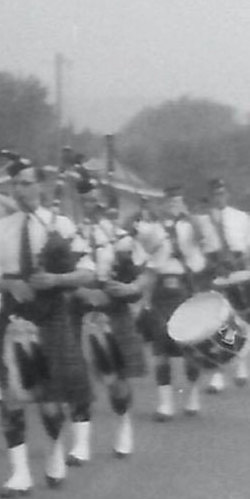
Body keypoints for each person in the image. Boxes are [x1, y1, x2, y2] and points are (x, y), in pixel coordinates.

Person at [0, 164, 96, 495]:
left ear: (41, 187)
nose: (20, 190)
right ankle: (19, 474)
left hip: (52, 316)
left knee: (51, 400)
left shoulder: (61, 225)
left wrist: (57, 279)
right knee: (13, 396)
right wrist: (9, 285)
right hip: (13, 316)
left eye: (27, 183)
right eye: (16, 184)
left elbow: (88, 272)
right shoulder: (0, 228)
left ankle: (55, 451)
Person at [75, 182, 148, 459]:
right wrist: (85, 293)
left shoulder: (122, 238)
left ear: (106, 205)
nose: (90, 205)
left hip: (114, 313)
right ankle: (81, 444)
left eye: (95, 200)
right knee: (78, 379)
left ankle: (123, 425)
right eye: (85, 200)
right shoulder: (71, 234)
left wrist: (130, 289)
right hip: (79, 313)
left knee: (117, 380)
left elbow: (143, 273)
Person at [137, 187, 211, 418]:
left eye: (177, 201)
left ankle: (192, 397)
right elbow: (144, 257)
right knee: (161, 350)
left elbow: (203, 238)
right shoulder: (152, 229)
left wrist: (187, 216)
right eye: (170, 202)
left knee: (190, 348)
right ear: (162, 204)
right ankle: (165, 404)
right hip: (160, 291)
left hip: (186, 287)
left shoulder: (192, 225)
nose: (173, 206)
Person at [197, 180, 250, 390]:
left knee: (239, 320)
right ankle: (218, 374)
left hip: (238, 269)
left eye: (222, 193)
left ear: (228, 194)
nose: (219, 197)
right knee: (217, 323)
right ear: (210, 195)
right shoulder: (202, 221)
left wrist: (245, 263)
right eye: (215, 194)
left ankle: (241, 364)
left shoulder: (240, 217)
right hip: (215, 271)